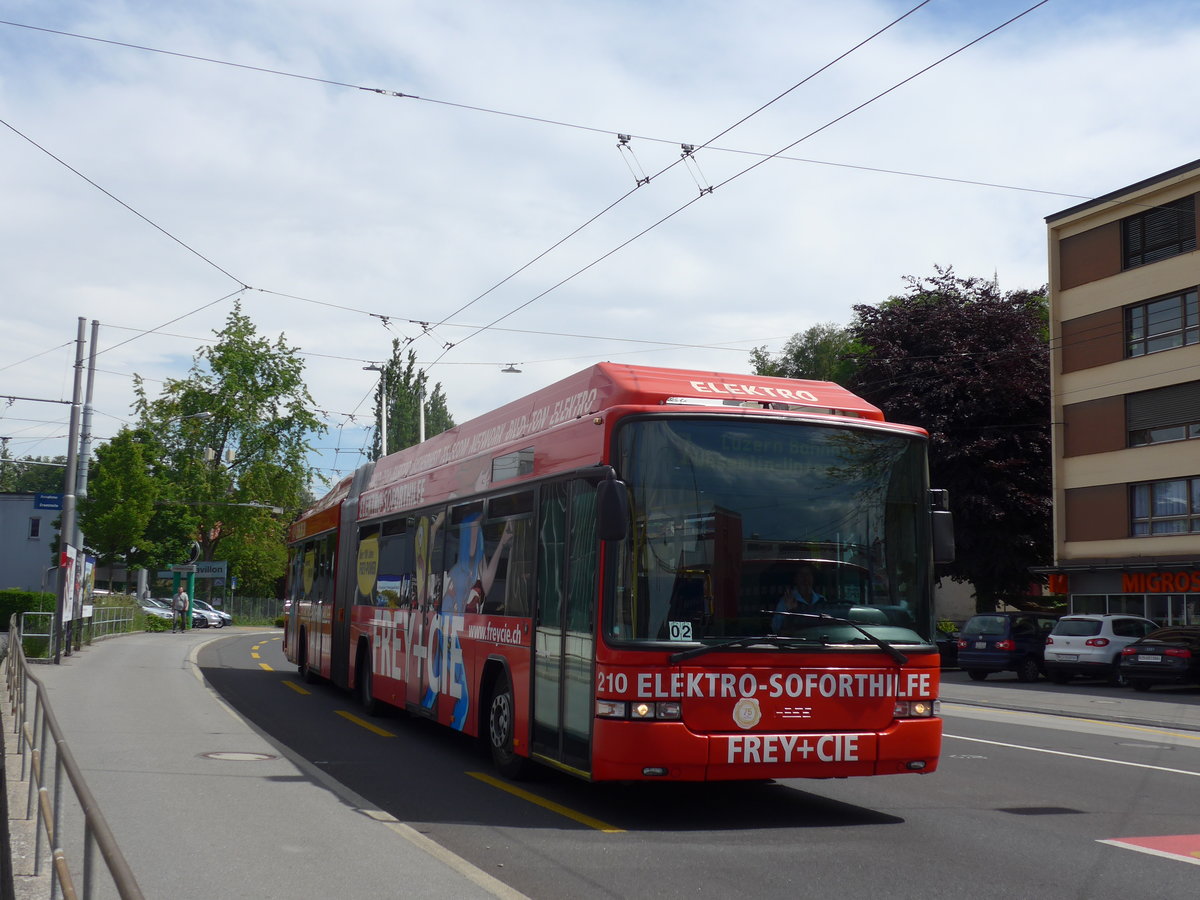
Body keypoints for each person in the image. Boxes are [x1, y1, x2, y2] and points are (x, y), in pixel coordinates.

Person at [772, 565, 825, 632]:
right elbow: (776, 628)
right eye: (801, 574)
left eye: (808, 574)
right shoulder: (785, 601)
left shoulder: (821, 599)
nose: (805, 578)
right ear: (795, 579)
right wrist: (790, 611)